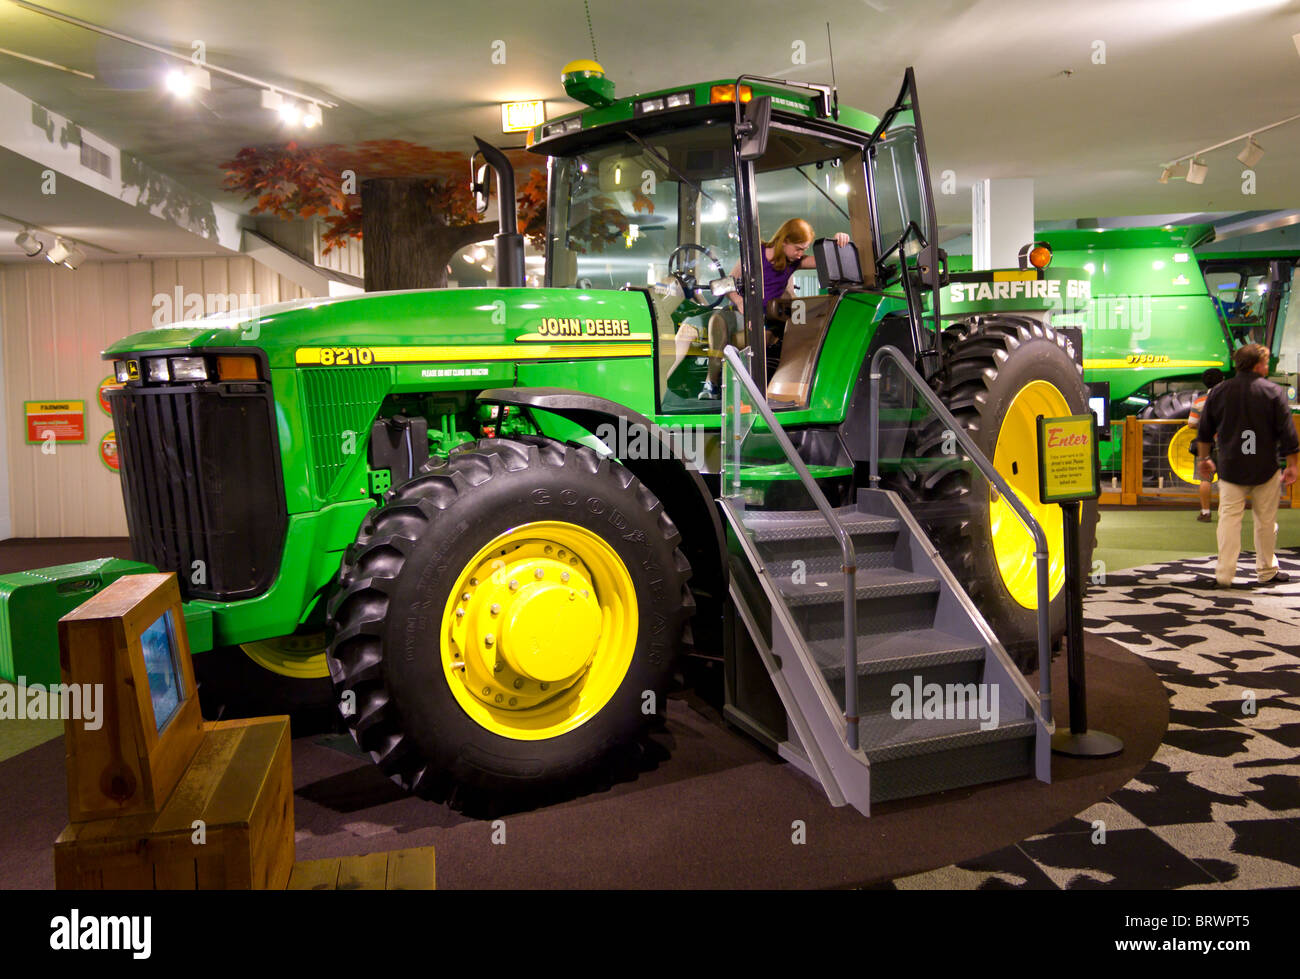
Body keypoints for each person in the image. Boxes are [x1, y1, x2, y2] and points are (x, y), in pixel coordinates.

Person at [690, 219, 850, 399]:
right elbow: (728, 284)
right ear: (785, 241)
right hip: (741, 312)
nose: (801, 254)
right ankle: (711, 383)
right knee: (716, 321)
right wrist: (741, 302)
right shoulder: (754, 254)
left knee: (760, 336)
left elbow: (826, 261)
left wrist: (838, 242)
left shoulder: (794, 262)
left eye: (804, 249)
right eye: (799, 248)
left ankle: (750, 391)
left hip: (767, 320)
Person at [1196, 343, 1299, 588]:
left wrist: (1204, 459)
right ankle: (1266, 570)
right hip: (1265, 468)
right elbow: (1288, 434)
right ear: (1258, 365)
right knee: (1266, 521)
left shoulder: (1219, 392)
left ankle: (1224, 573)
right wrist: (1293, 465)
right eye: (1265, 361)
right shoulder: (1274, 392)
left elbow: (1204, 431)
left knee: (1229, 520)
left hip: (1231, 468)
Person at [1188, 367, 1225, 521]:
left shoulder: (1200, 401)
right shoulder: (1229, 399)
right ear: (1222, 381)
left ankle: (1205, 512)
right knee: (1226, 481)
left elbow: (1191, 423)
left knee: (1205, 479)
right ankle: (1225, 513)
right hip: (1225, 444)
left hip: (1205, 445)